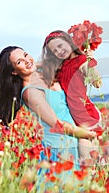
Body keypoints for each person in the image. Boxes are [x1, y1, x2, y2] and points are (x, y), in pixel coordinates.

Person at [0, 46, 96, 191]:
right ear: (14, 71)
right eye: (20, 62)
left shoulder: (42, 76)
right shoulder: (30, 92)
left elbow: (54, 61)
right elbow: (57, 124)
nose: (27, 61)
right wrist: (89, 134)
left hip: (74, 146)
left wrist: (85, 56)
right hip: (59, 152)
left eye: (26, 55)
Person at [40, 30, 103, 163]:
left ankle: (94, 173)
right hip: (71, 115)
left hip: (84, 114)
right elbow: (41, 64)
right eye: (54, 51)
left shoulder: (82, 61)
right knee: (84, 153)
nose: (59, 51)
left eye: (60, 46)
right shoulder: (60, 65)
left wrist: (90, 61)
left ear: (69, 42)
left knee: (85, 149)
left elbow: (97, 82)